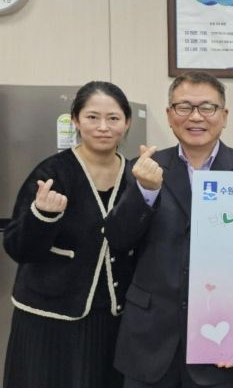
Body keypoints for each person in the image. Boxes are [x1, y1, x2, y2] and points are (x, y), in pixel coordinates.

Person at [114, 71, 233, 388]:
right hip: (150, 337)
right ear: (169, 115)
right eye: (184, 107)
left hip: (222, 341)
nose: (196, 117)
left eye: (207, 107)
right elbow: (117, 240)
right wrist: (145, 192)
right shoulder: (142, 167)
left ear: (224, 116)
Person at [3, 81, 153, 388]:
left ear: (127, 123)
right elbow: (18, 248)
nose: (103, 127)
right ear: (76, 120)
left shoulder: (135, 175)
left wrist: (147, 191)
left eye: (113, 118)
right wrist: (43, 216)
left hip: (112, 317)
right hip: (49, 318)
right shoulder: (52, 173)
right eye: (92, 117)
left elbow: (139, 240)